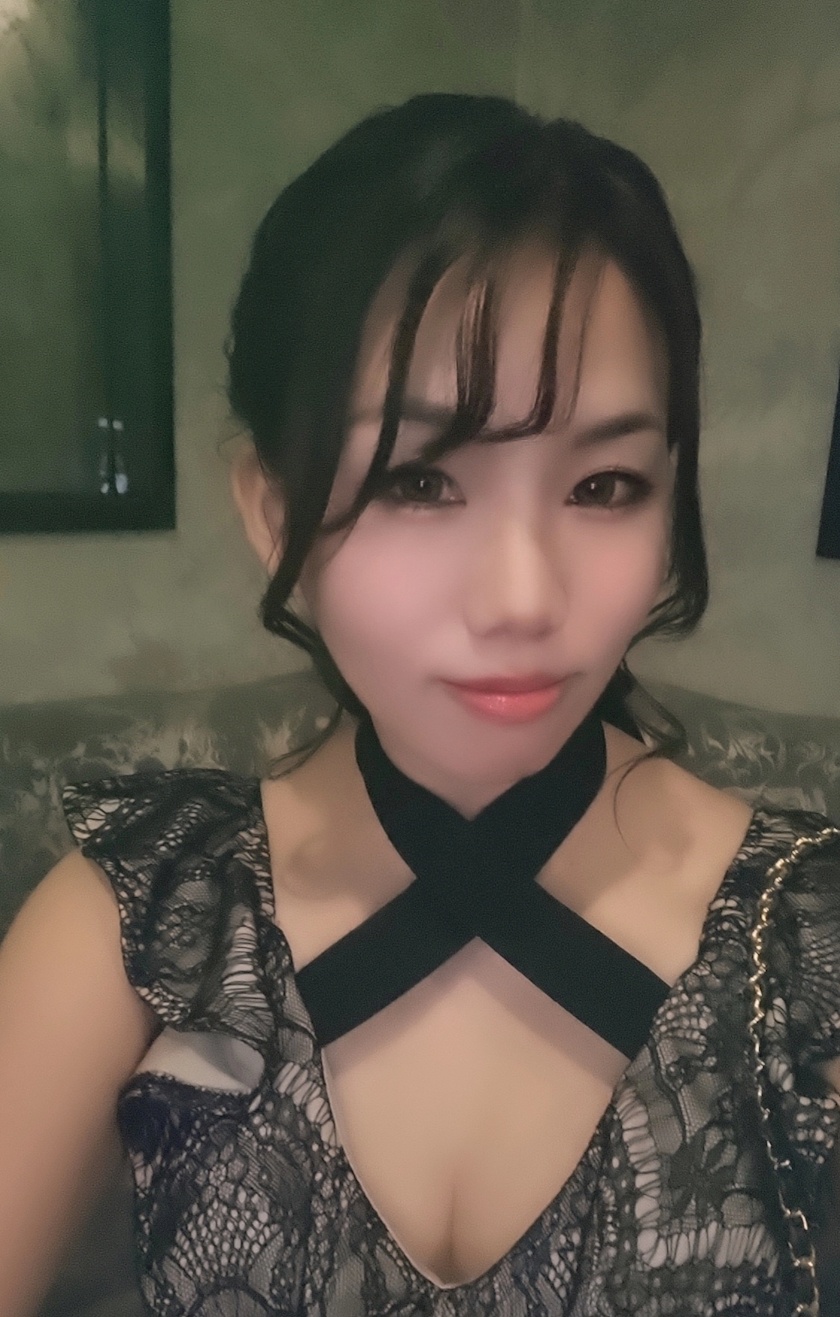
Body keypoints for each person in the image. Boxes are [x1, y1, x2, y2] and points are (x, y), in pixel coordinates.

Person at [1, 93, 839, 1317]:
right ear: (272, 511)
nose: (523, 598)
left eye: (606, 485)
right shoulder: (134, 923)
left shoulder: (810, 943)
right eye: (419, 479)